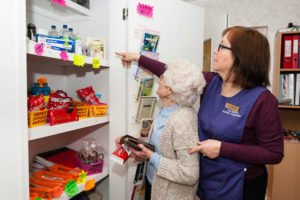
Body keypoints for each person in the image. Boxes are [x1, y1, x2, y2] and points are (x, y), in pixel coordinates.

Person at [116, 26, 284, 200]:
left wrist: (222, 148)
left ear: (241, 56)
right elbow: (173, 74)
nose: (215, 50)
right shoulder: (211, 82)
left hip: (241, 185)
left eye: (221, 46)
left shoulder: (263, 101)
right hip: (207, 180)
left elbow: (274, 153)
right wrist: (138, 58)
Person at [116, 58, 206, 200]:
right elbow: (163, 149)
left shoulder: (183, 119)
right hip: (155, 185)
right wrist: (136, 145)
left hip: (171, 194)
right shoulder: (166, 110)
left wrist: (152, 157)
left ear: (171, 90)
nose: (160, 78)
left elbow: (189, 174)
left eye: (164, 78)